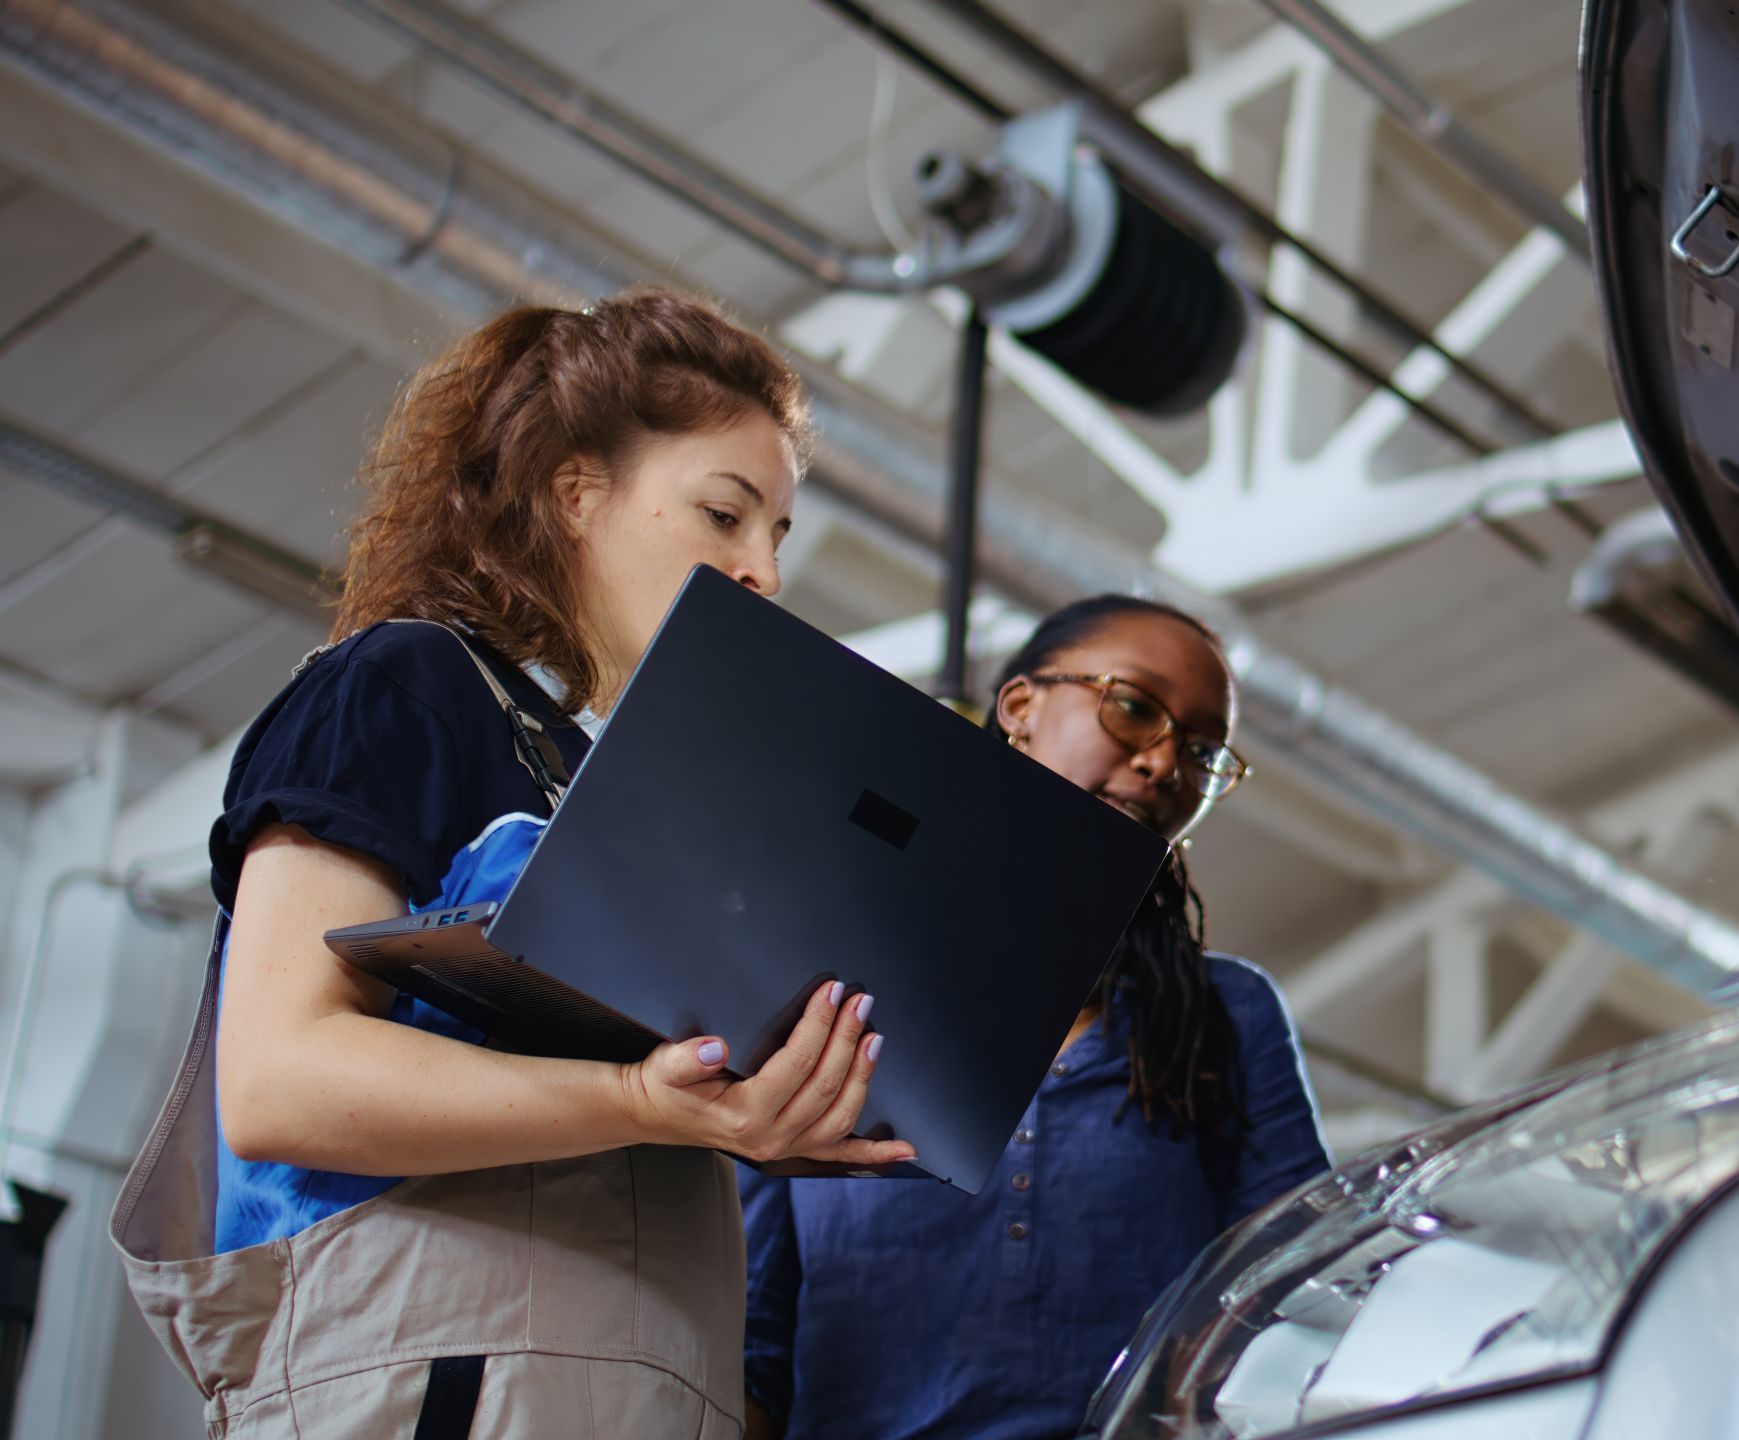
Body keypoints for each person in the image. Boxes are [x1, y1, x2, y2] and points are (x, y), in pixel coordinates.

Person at [109, 288, 914, 1440]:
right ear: (576, 493)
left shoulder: (625, 792)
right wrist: (641, 1101)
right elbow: (281, 1079)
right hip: (443, 1369)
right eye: (725, 515)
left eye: (774, 535)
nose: (764, 575)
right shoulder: (404, 684)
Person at [740, 596, 1333, 1440]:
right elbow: (751, 1343)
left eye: (1201, 752)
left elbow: (1297, 1298)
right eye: (1135, 707)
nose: (1165, 761)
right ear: (1019, 708)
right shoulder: (828, 993)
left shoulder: (1225, 1016)